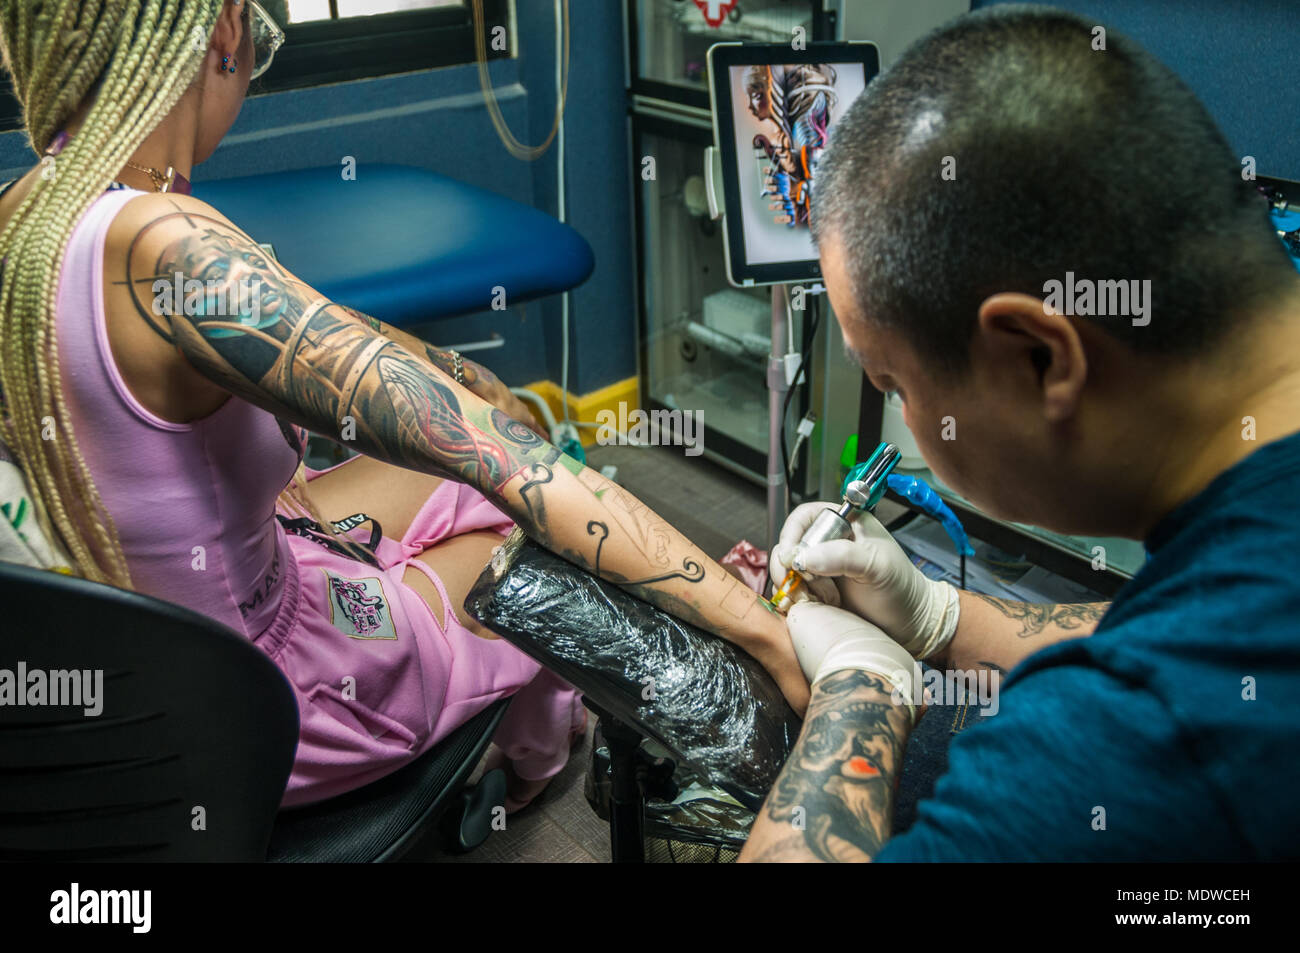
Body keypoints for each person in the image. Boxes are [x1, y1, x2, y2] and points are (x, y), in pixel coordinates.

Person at [0, 0, 807, 812]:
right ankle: (520, 763)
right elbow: (510, 464)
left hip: (158, 652)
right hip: (262, 695)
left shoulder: (25, 215)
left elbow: (312, 332)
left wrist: (458, 373)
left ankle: (499, 729)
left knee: (479, 459)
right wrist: (756, 625)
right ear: (224, 30)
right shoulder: (168, 244)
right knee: (522, 526)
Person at [741, 5, 1300, 861]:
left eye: (893, 382)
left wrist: (864, 685)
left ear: (1038, 359)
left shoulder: (1131, 736)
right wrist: (934, 617)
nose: (904, 416)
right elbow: (1167, 616)